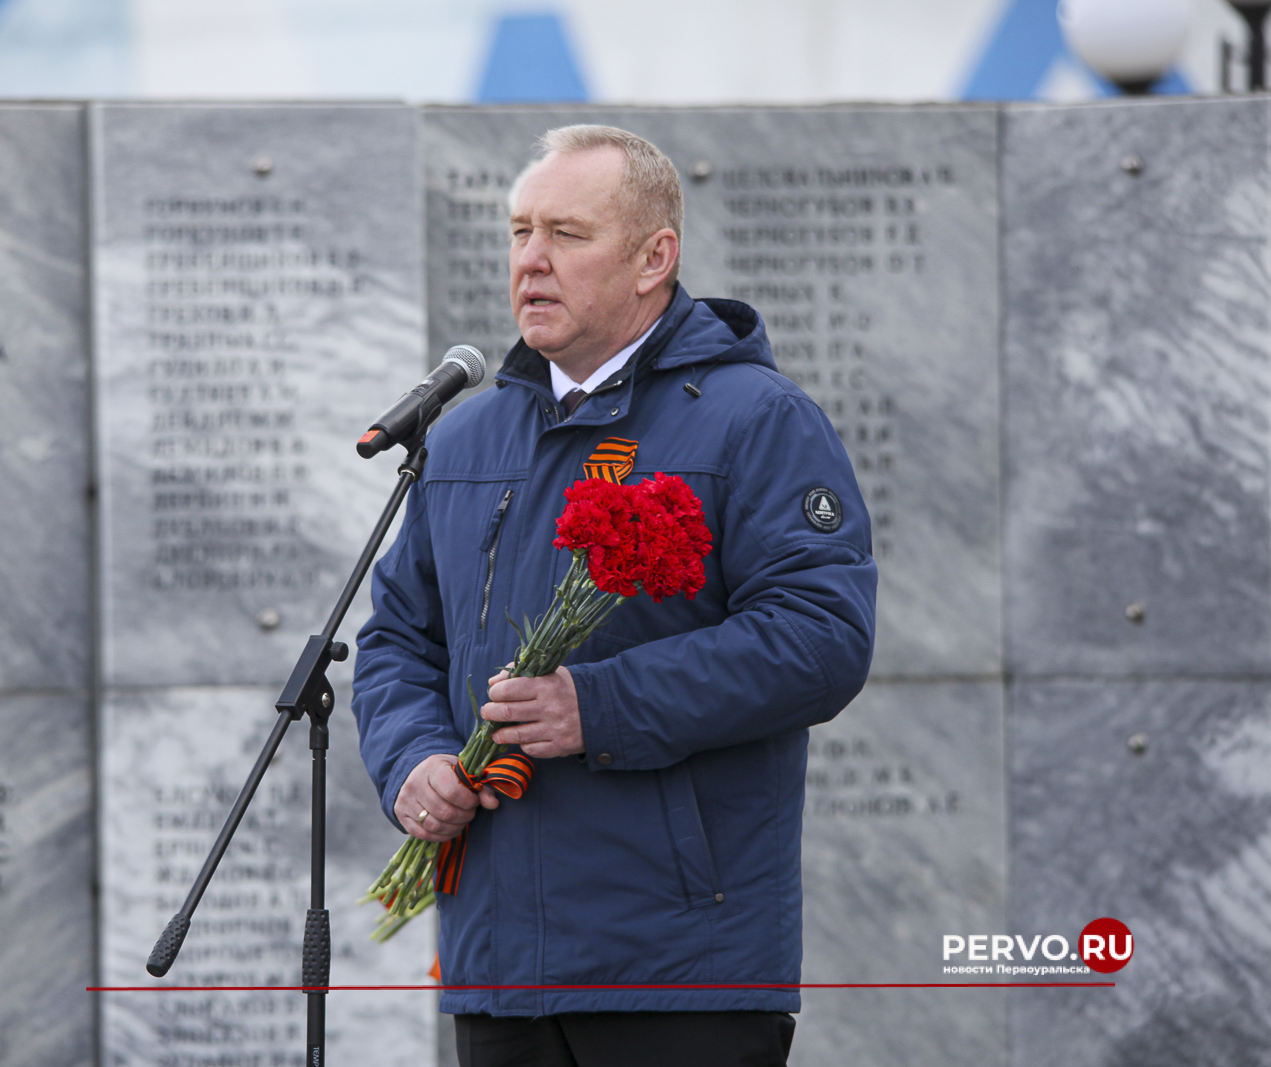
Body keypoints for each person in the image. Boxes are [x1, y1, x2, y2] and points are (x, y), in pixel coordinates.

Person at [352, 125, 877, 1067]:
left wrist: (598, 706)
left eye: (566, 233)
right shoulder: (467, 439)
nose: (532, 261)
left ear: (653, 259)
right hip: (501, 959)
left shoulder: (757, 420)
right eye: (519, 233)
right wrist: (414, 761)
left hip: (678, 961)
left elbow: (821, 636)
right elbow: (396, 638)